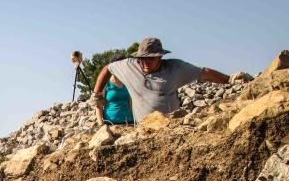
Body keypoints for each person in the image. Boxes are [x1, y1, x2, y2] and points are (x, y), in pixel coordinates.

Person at [93, 37, 229, 123]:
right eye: (142, 58)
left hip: (170, 127)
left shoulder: (175, 68)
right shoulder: (130, 66)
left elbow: (203, 73)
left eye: (150, 58)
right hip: (143, 129)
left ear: (160, 57)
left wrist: (229, 81)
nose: (145, 62)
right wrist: (98, 93)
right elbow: (107, 68)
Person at [94, 55, 134, 125]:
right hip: (110, 123)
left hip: (129, 122)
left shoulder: (127, 82)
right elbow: (99, 106)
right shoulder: (105, 83)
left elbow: (130, 103)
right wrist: (101, 124)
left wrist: (134, 119)